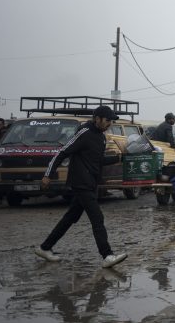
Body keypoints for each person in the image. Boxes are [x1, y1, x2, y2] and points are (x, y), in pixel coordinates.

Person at [34, 105, 128, 268]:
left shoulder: (101, 136)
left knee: (70, 217)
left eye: (111, 121)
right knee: (97, 217)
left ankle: (45, 247)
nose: (109, 124)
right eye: (107, 120)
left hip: (90, 183)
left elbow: (98, 161)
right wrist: (48, 175)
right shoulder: (84, 133)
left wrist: (120, 158)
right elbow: (62, 152)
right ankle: (107, 255)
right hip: (81, 183)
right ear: (97, 119)